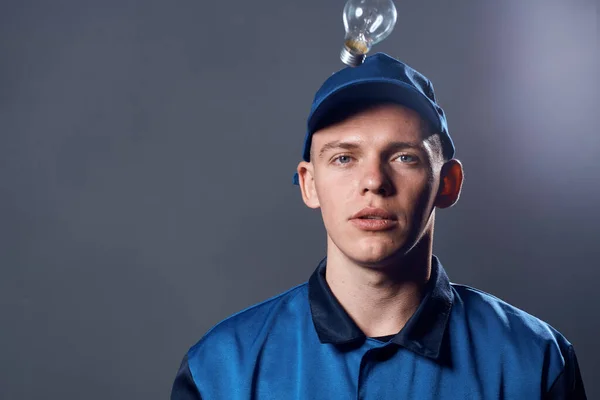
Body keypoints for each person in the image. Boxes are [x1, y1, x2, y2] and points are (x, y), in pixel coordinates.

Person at [170, 53, 587, 399]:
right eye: (344, 158)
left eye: (404, 157)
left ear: (448, 183)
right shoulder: (221, 371)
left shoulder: (535, 363)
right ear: (309, 184)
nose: (374, 181)